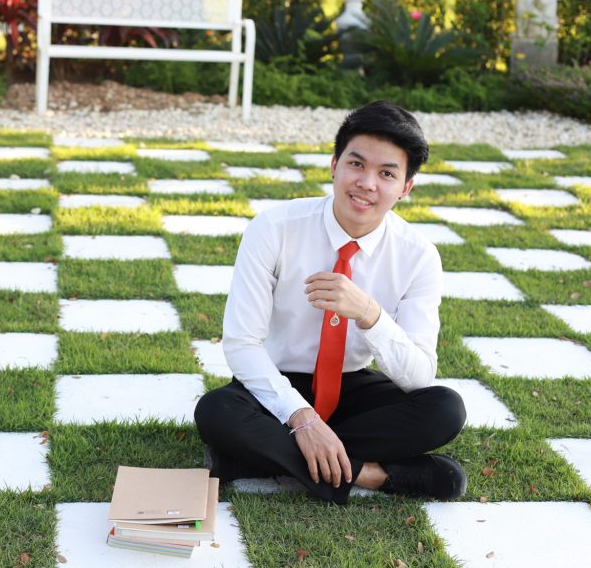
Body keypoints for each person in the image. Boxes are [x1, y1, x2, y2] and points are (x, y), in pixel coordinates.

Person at [194, 101, 467, 505]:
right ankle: (373, 475)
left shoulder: (418, 255)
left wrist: (370, 314)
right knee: (217, 411)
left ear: (405, 187)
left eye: (386, 173)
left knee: (445, 409)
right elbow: (242, 343)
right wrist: (302, 418)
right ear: (334, 165)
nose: (367, 183)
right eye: (356, 164)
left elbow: (419, 377)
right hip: (278, 383)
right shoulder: (274, 229)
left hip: (351, 386)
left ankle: (253, 459)